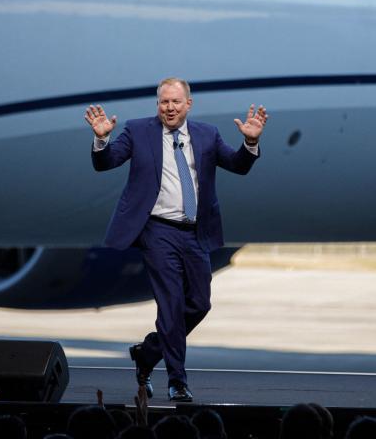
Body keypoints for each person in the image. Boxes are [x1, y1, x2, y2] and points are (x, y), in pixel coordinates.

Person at [86, 77, 267, 402]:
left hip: (195, 231)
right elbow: (106, 163)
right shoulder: (138, 131)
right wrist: (101, 140)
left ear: (188, 104)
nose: (169, 107)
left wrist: (250, 144)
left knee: (199, 303)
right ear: (158, 104)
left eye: (175, 102)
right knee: (170, 305)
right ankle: (177, 381)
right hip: (158, 231)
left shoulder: (207, 134)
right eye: (163, 102)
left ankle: (147, 352)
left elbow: (237, 166)